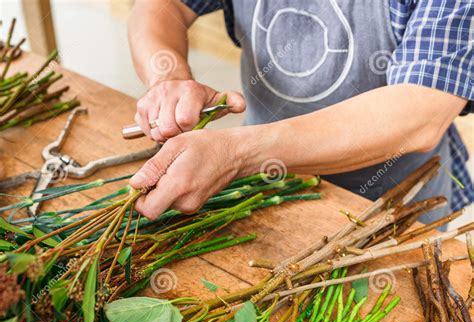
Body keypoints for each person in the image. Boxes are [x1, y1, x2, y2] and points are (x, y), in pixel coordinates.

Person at [127, 0, 473, 224]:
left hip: (393, 210)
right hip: (264, 192)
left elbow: (419, 112)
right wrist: (167, 78)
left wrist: (238, 152)